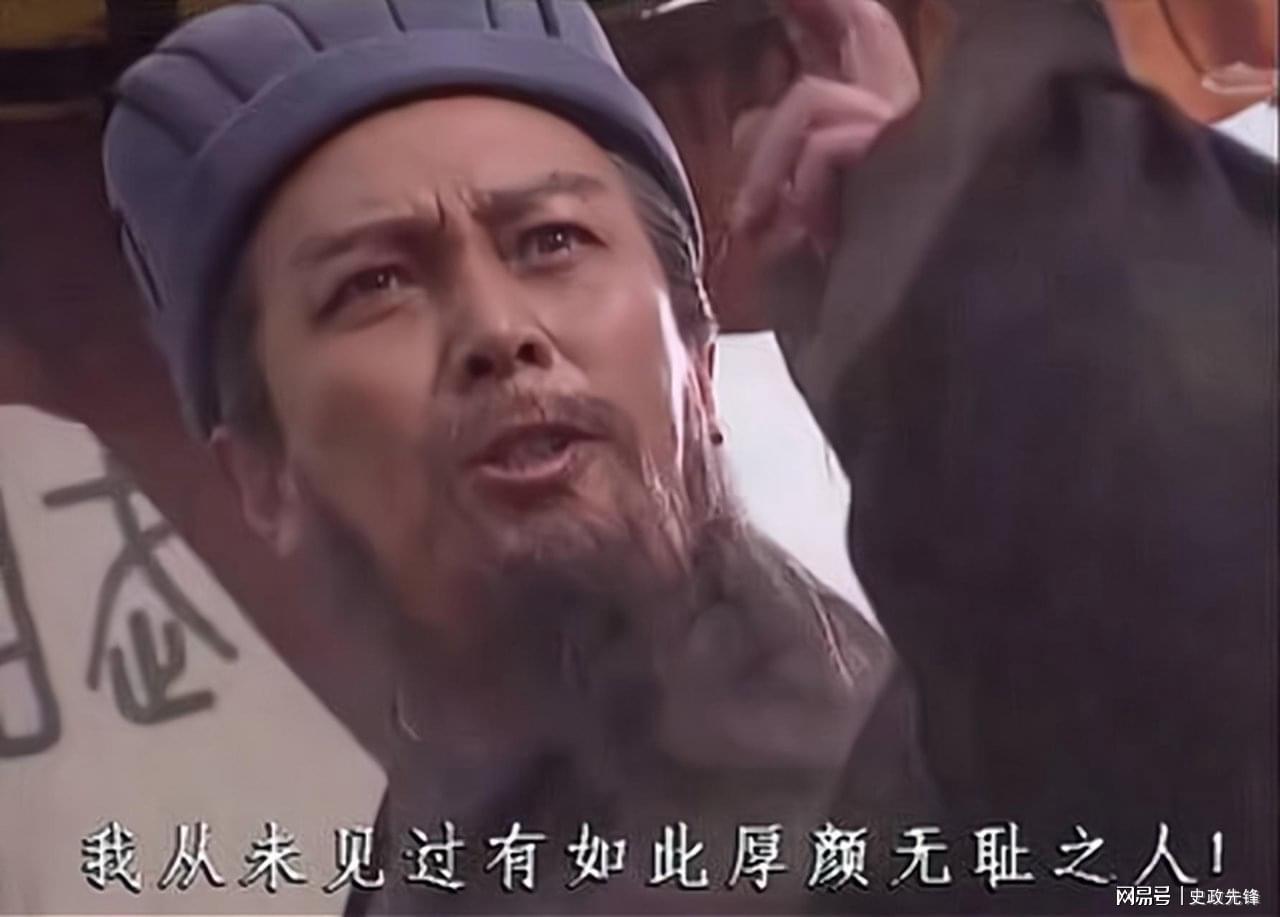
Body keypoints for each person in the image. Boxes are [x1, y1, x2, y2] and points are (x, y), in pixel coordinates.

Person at [100, 0, 1276, 912]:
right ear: (262, 474)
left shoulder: (963, 786)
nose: (499, 330)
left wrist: (998, 302)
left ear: (698, 365)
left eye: (551, 239)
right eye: (375, 282)